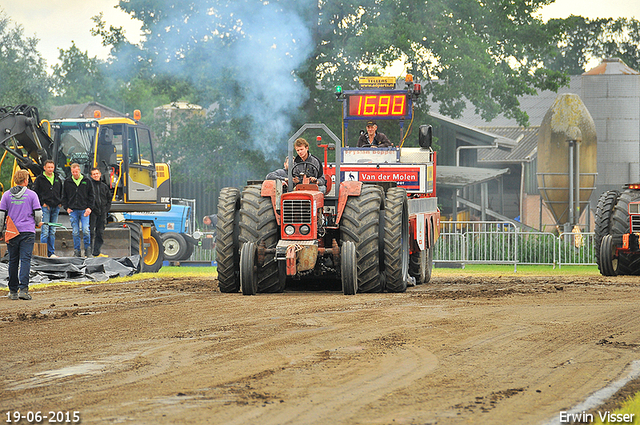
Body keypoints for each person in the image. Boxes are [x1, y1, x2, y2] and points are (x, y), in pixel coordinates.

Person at [0, 170, 42, 300]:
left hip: (12, 232)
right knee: (25, 260)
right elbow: (38, 214)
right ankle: (23, 289)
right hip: (27, 232)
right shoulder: (32, 195)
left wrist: (1, 230)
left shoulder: (6, 195)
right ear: (26, 180)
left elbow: (1, 215)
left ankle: (13, 291)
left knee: (13, 261)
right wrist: (38, 223)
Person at [62, 163, 94, 257]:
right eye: (73, 172)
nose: (75, 173)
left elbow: (92, 196)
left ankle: (88, 251)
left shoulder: (86, 181)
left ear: (79, 170)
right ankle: (77, 251)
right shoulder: (67, 182)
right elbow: (64, 196)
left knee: (85, 230)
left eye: (76, 171)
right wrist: (66, 207)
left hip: (84, 210)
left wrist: (89, 208)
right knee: (75, 232)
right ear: (71, 171)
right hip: (73, 210)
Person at [33, 159, 63, 258]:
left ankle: (51, 253)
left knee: (52, 231)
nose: (50, 169)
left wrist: (60, 202)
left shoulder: (57, 178)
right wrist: (42, 203)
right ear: (44, 168)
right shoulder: (40, 179)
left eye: (52, 167)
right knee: (45, 231)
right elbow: (35, 193)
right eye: (48, 167)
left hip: (56, 207)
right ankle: (43, 253)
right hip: (45, 208)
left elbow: (61, 191)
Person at [89, 168, 111, 257]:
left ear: (100, 174)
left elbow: (109, 198)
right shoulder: (89, 187)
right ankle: (89, 252)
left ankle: (97, 252)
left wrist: (106, 209)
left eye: (97, 173)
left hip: (102, 213)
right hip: (92, 212)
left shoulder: (104, 186)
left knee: (100, 232)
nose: (96, 175)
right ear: (91, 176)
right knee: (91, 232)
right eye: (94, 174)